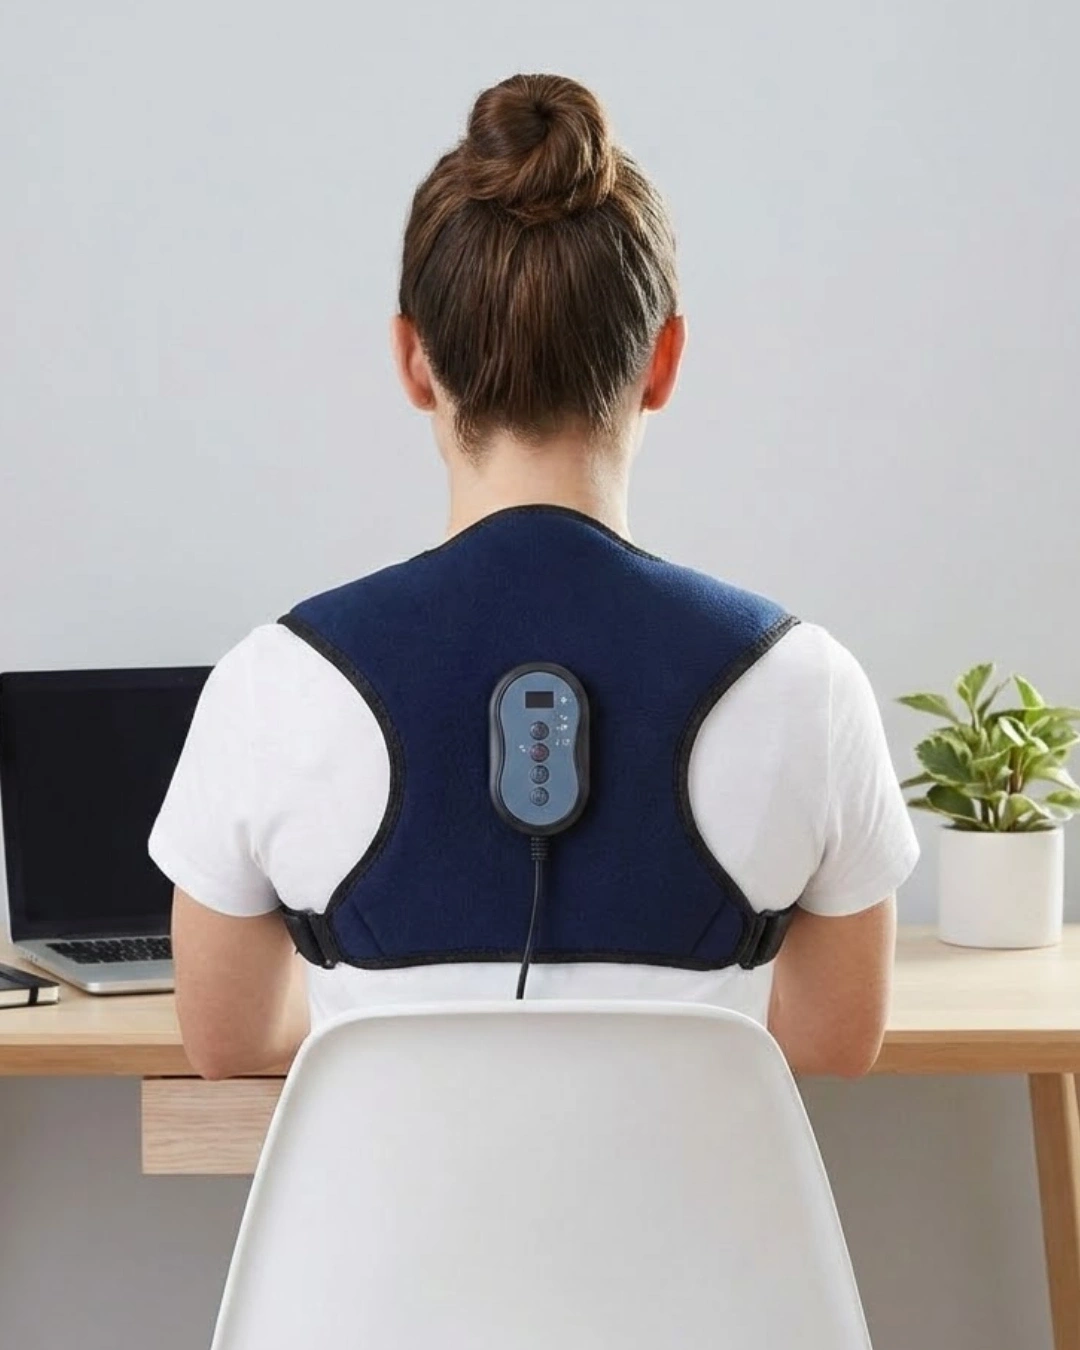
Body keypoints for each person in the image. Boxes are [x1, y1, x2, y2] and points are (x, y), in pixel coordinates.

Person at [149, 73, 918, 1082]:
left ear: (413, 360)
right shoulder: (807, 682)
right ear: (664, 360)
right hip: (685, 1196)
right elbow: (830, 1047)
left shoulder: (273, 681)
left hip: (389, 1198)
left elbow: (230, 1043)